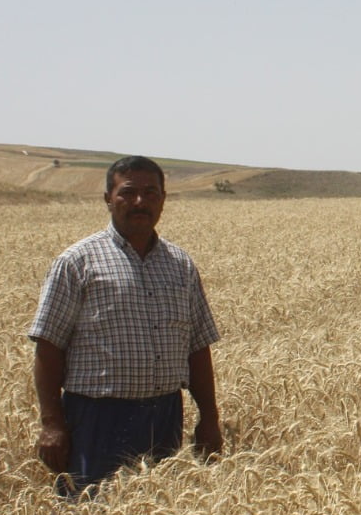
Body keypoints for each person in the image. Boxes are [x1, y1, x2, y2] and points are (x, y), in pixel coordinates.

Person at [29, 155, 222, 496]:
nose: (140, 202)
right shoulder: (77, 262)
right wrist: (52, 424)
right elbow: (49, 346)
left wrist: (209, 418)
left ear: (163, 199)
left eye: (151, 193)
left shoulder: (180, 266)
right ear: (108, 198)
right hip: (96, 418)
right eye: (128, 192)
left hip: (164, 414)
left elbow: (197, 347)